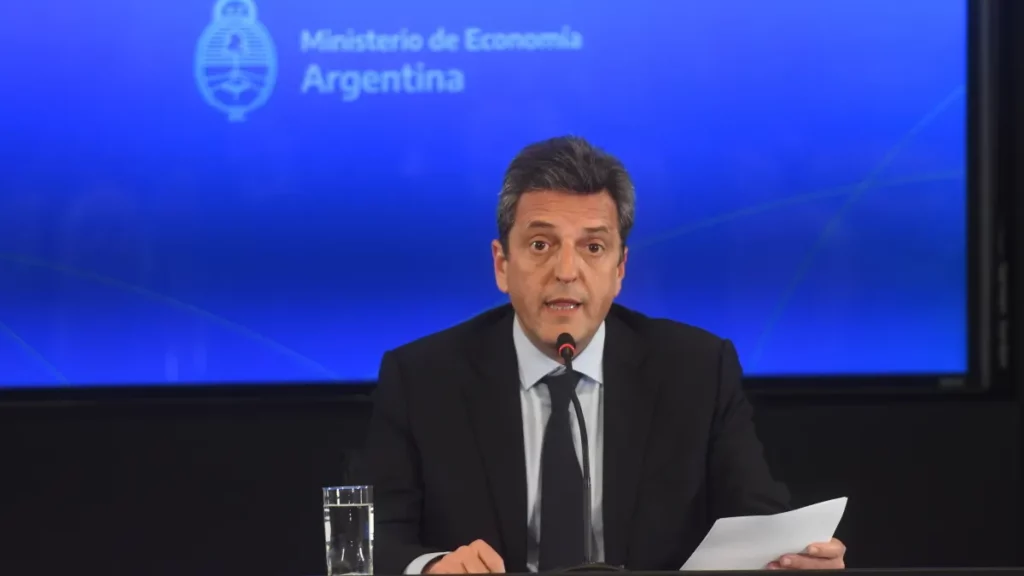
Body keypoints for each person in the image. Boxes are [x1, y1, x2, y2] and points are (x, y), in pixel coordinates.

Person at [366, 136, 847, 574]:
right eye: (540, 244)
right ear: (501, 265)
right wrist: (431, 568)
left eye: (593, 247)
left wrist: (794, 558)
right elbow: (372, 538)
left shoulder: (697, 370)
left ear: (620, 270)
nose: (566, 270)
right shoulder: (422, 378)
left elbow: (757, 519)